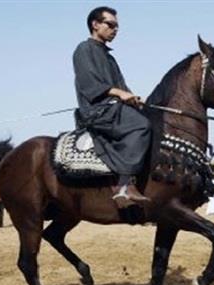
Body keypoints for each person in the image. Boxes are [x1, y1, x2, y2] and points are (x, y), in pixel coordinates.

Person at [73, 6, 151, 208]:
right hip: (96, 111)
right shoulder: (83, 49)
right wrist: (119, 93)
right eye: (111, 25)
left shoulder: (109, 57)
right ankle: (123, 186)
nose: (115, 30)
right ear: (95, 24)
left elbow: (122, 88)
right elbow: (89, 83)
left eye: (117, 26)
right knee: (141, 126)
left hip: (114, 109)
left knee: (150, 118)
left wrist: (134, 99)